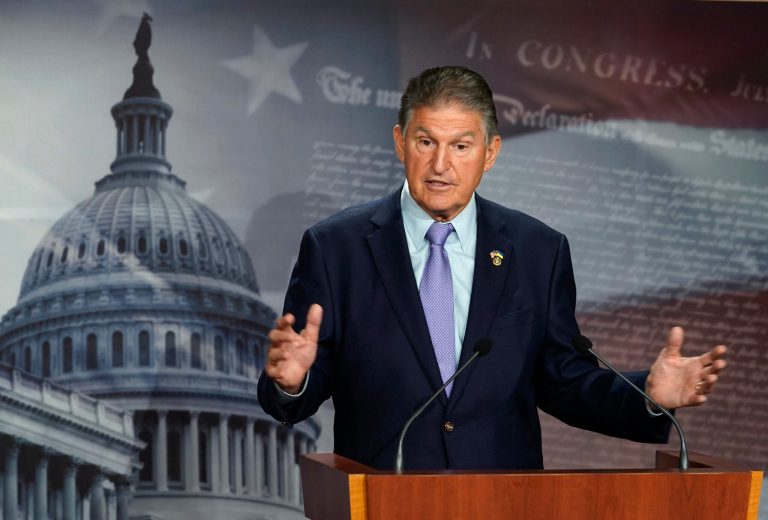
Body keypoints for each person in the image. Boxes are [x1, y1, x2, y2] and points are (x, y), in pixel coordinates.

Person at [257, 66, 727, 470]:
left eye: (461, 146)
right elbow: (302, 383)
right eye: (426, 141)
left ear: (491, 152)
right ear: (401, 143)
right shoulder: (336, 248)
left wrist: (647, 393)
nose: (441, 164)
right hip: (382, 498)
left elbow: (563, 378)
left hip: (504, 502)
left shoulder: (537, 251)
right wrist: (291, 381)